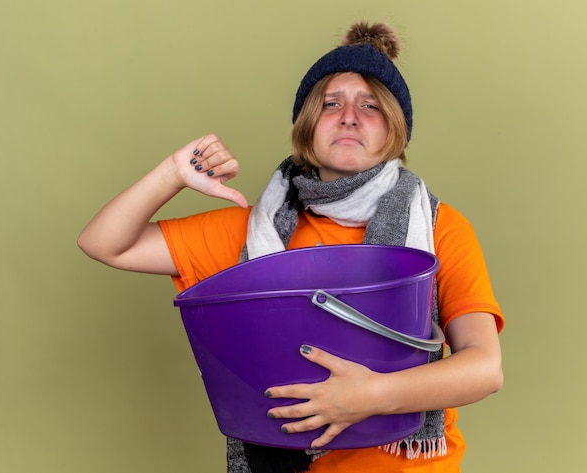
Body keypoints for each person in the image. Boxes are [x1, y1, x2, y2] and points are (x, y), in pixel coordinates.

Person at [78, 21, 504, 473]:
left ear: (395, 131)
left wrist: (370, 396)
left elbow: (483, 368)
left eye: (371, 105)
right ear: (306, 129)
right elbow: (105, 244)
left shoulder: (440, 229)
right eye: (330, 104)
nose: (349, 116)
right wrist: (171, 173)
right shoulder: (252, 232)